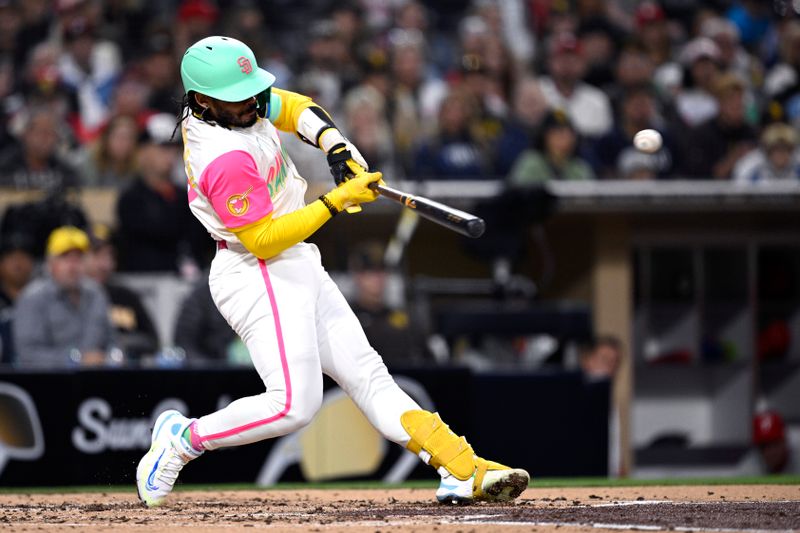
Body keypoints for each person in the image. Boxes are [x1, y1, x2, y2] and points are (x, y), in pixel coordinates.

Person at [136, 36, 528, 508]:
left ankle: (462, 468)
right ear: (202, 100)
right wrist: (335, 201)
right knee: (293, 405)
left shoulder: (233, 102)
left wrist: (336, 146)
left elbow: (297, 107)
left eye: (251, 91)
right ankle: (182, 439)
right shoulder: (222, 156)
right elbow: (263, 239)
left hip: (295, 259)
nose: (252, 103)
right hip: (253, 271)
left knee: (368, 373)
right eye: (238, 97)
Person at [13, 226, 115, 367]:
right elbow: (28, 355)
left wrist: (112, 357)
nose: (73, 266)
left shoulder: (97, 294)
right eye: (65, 258)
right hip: (51, 382)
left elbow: (112, 341)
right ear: (50, 263)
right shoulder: (32, 298)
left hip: (97, 380)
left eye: (78, 258)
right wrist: (75, 359)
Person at [84, 225, 159, 362]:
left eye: (110, 256)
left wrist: (115, 344)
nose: (104, 265)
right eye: (96, 255)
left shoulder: (126, 296)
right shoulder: (73, 297)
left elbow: (152, 340)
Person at [508, 109, 595, 185]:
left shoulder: (579, 168)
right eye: (557, 133)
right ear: (544, 137)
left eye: (568, 134)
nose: (563, 138)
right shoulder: (531, 162)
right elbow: (517, 195)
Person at [0, 234, 36, 364]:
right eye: (12, 258)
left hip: (38, 371)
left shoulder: (42, 299)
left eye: (23, 257)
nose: (18, 264)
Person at [733, 123, 800, 184]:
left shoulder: (797, 163)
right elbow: (739, 188)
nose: (781, 154)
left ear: (791, 150)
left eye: (785, 149)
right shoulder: (752, 164)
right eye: (776, 148)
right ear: (768, 150)